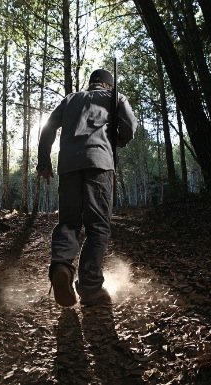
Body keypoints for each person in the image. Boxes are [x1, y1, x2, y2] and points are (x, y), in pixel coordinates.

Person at [36, 68, 137, 307]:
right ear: (109, 85)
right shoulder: (115, 98)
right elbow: (130, 127)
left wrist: (43, 161)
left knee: (69, 222)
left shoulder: (71, 98)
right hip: (99, 164)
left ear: (92, 83)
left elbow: (49, 127)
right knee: (98, 226)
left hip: (69, 166)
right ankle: (90, 287)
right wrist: (118, 140)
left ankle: (61, 265)